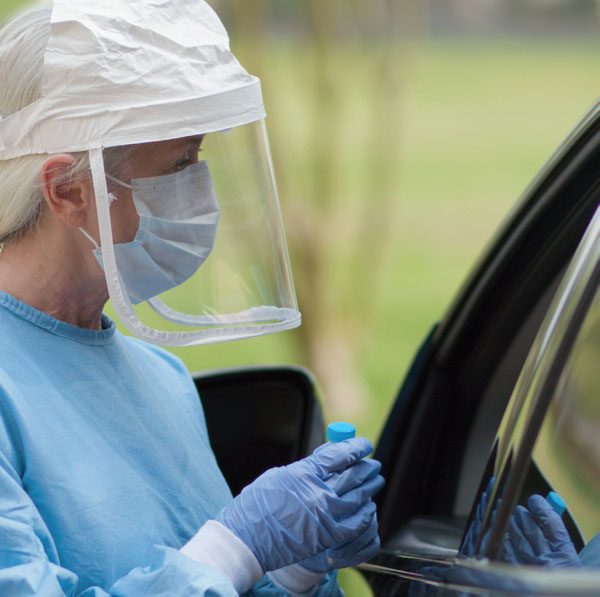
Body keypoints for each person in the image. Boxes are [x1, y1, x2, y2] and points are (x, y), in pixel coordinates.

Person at [0, 1, 384, 595]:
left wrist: (291, 571)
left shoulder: (163, 378)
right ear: (69, 189)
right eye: (180, 163)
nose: (200, 192)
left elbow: (219, 575)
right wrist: (235, 548)